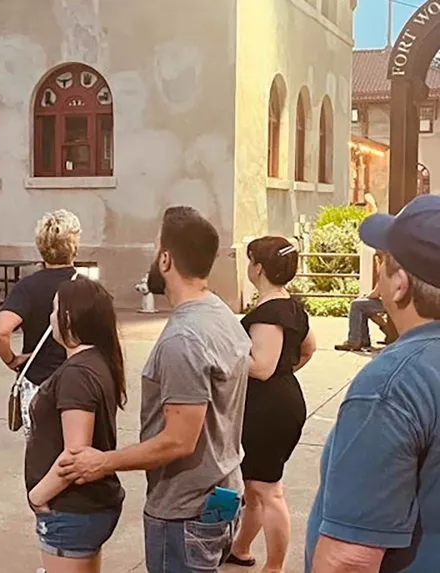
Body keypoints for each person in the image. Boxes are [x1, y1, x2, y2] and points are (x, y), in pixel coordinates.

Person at [56, 205, 252, 573]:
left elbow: (179, 440)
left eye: (154, 248)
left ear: (166, 259)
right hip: (222, 493)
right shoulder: (222, 315)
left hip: (184, 513)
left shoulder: (183, 339)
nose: (152, 257)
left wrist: (102, 462)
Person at [306, 194, 440, 573]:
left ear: (399, 284)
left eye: (382, 263)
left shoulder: (395, 383)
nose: (377, 276)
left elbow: (349, 560)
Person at [25, 276, 127, 573]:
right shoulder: (98, 361)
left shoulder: (77, 374)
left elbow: (76, 454)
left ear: (68, 318)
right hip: (88, 507)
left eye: (55, 310)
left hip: (72, 508)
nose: (50, 317)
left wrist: (38, 496)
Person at [227, 236, 317, 572]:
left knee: (269, 491)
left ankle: (275, 567)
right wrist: (285, 372)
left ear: (259, 268)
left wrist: (226, 354)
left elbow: (261, 367)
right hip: (284, 400)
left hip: (267, 410)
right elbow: (308, 349)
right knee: (254, 486)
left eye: (250, 260)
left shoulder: (268, 313)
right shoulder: (293, 306)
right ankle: (241, 547)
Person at [0, 209, 81, 436]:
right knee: (76, 455)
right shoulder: (88, 288)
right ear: (74, 246)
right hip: (78, 383)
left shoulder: (27, 287)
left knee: (40, 456)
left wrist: (12, 360)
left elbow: (0, 332)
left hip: (38, 384)